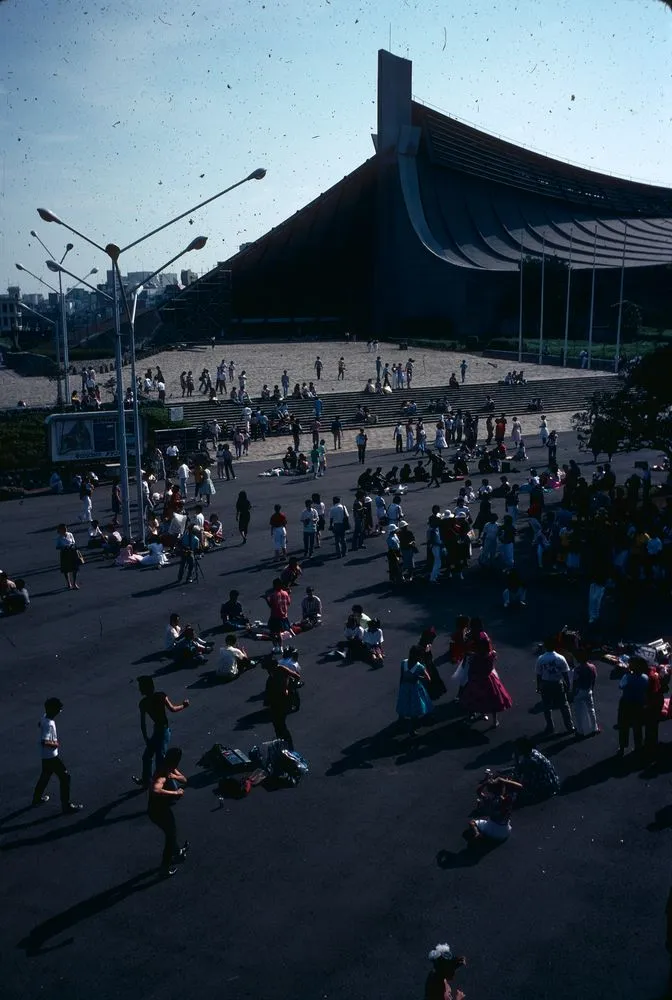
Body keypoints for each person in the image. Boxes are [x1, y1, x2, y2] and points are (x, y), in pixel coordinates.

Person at [132, 676, 189, 789]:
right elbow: (172, 709)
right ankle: (149, 782)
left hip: (159, 732)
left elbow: (143, 724)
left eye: (140, 687)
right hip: (162, 730)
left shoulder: (143, 703)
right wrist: (184, 705)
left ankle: (172, 788)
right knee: (158, 759)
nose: (139, 689)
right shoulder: (161, 696)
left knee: (154, 758)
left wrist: (146, 739)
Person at [31, 697, 83, 814]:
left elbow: (40, 722)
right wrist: (55, 743)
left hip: (45, 756)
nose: (60, 712)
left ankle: (36, 798)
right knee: (65, 777)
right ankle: (66, 805)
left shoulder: (45, 717)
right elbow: (45, 741)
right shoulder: (49, 724)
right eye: (59, 709)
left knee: (45, 775)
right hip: (51, 756)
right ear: (53, 710)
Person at [147, 746, 189, 878]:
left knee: (171, 832)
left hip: (160, 809)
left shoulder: (169, 768)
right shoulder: (162, 775)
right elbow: (155, 789)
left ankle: (177, 852)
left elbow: (184, 780)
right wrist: (175, 792)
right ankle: (164, 867)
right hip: (157, 811)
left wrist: (174, 776)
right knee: (171, 835)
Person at [460, 636, 512, 728]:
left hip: (477, 678)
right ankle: (494, 721)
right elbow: (491, 666)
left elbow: (472, 667)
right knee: (493, 699)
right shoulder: (492, 655)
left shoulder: (474, 657)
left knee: (473, 698)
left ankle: (470, 718)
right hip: (488, 678)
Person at [466, 773, 522, 843]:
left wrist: (486, 782)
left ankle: (477, 834)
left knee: (472, 822)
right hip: (504, 832)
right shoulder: (507, 800)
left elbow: (478, 791)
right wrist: (504, 781)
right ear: (502, 788)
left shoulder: (488, 799)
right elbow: (520, 786)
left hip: (490, 829)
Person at [536, 638, 576, 735]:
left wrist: (538, 686)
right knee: (564, 705)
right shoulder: (560, 658)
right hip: (558, 683)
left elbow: (538, 674)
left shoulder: (541, 658)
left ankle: (550, 727)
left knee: (546, 707)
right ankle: (570, 726)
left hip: (545, 684)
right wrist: (568, 685)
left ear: (545, 646)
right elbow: (565, 673)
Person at [265, 653, 301, 748]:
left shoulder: (281, 668)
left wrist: (290, 687)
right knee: (276, 724)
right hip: (274, 700)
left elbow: (296, 676)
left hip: (283, 699)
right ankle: (281, 743)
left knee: (281, 724)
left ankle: (289, 745)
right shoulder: (271, 671)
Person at [396, 645, 432, 737]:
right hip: (410, 689)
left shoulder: (409, 664)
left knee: (408, 706)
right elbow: (428, 679)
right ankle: (407, 726)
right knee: (409, 707)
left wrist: (401, 686)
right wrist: (417, 677)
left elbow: (428, 679)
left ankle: (406, 725)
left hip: (409, 688)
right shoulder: (413, 665)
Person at [616, 656, 649, 757]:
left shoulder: (627, 677)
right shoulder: (645, 677)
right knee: (637, 726)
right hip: (639, 704)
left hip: (626, 703)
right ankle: (638, 747)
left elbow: (620, 686)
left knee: (623, 726)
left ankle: (622, 747)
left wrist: (626, 674)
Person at [511, 737, 561, 802]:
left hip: (548, 787)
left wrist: (516, 760)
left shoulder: (530, 760)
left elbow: (519, 772)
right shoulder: (533, 752)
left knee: (520, 789)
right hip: (552, 782)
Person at [572, 651, 599, 737]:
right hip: (588, 690)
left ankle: (580, 731)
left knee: (578, 712)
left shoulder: (577, 669)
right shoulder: (592, 667)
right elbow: (594, 679)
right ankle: (595, 728)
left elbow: (575, 682)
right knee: (591, 710)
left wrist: (573, 692)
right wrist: (592, 689)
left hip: (579, 691)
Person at [265, 578, 292, 649]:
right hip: (284, 616)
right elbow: (288, 603)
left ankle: (276, 647)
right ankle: (280, 647)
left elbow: (271, 606)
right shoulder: (285, 593)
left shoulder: (273, 595)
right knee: (279, 633)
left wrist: (266, 599)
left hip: (275, 616)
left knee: (273, 633)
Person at [56, 523, 80, 591]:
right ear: (60, 530)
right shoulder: (59, 538)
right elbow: (57, 546)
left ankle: (74, 583)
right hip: (65, 553)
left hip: (72, 552)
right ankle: (68, 583)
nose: (65, 529)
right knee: (66, 569)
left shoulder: (70, 534)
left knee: (74, 569)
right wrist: (64, 547)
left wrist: (71, 545)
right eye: (63, 528)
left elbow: (74, 542)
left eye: (65, 528)